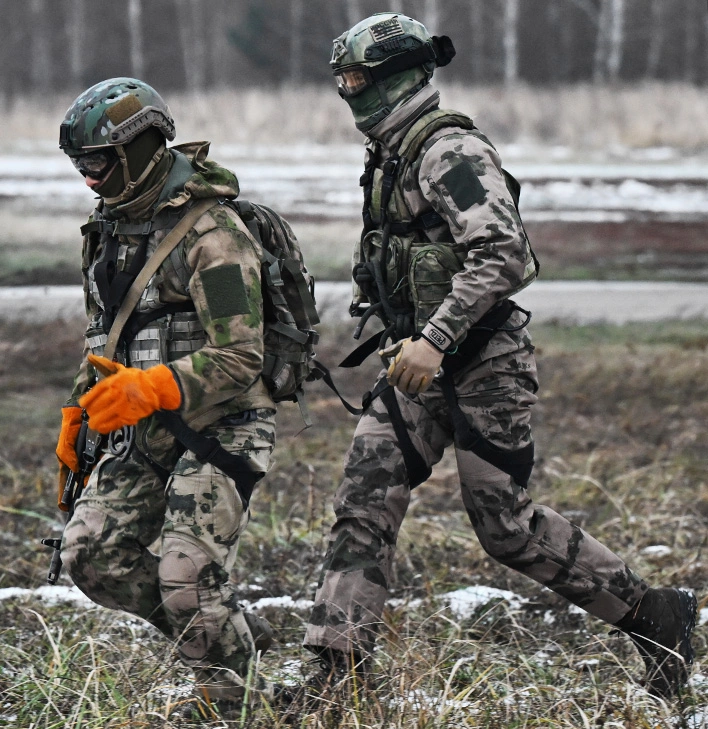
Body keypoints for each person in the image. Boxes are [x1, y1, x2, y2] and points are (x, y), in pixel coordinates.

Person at [302, 13, 696, 698]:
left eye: (358, 79)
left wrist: (436, 338)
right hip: (418, 369)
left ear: (396, 76)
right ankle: (338, 677)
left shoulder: (448, 151)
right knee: (364, 499)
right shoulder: (391, 155)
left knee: (506, 528)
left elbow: (505, 254)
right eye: (343, 79)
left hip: (485, 362)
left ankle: (655, 615)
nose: (347, 91)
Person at [53, 77, 281, 717]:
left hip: (224, 424)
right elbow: (105, 336)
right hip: (145, 423)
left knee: (184, 576)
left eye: (99, 161)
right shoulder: (110, 229)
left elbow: (241, 356)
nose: (88, 176)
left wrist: (149, 387)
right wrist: (78, 415)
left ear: (140, 148)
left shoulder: (215, 234)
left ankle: (237, 702)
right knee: (90, 557)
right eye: (79, 163)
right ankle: (222, 630)